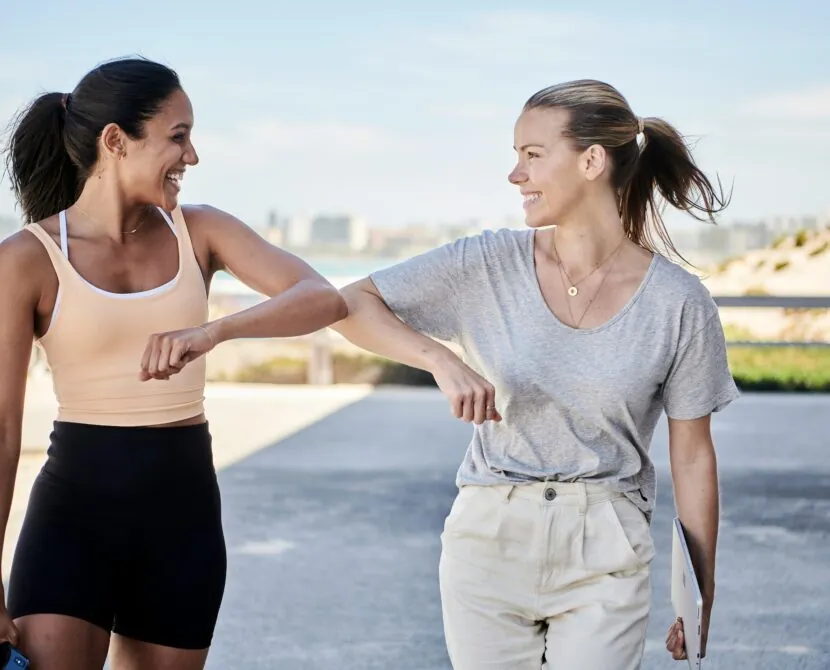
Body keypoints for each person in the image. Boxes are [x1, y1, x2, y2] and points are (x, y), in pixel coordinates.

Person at [332, 79, 739, 669]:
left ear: (592, 161)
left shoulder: (679, 303)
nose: (515, 175)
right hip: (489, 537)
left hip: (606, 546)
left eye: (532, 155)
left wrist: (700, 591)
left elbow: (695, 456)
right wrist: (441, 360)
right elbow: (352, 304)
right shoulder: (485, 263)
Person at [0, 56, 347, 670]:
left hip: (181, 514)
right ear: (116, 141)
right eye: (178, 137)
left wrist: (214, 331)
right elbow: (2, 432)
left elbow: (319, 296)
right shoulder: (27, 259)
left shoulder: (202, 231)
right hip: (72, 517)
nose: (192, 157)